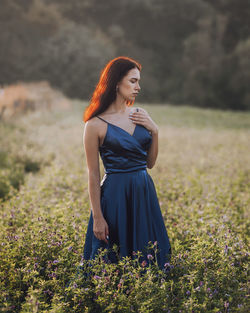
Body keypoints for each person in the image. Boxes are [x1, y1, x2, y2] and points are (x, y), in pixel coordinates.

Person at [82, 56, 171, 272]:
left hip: (143, 191)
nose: (138, 87)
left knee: (151, 254)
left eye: (138, 81)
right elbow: (93, 174)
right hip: (115, 196)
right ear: (115, 82)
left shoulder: (140, 115)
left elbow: (149, 163)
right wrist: (98, 217)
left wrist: (155, 131)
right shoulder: (94, 125)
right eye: (133, 81)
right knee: (112, 258)